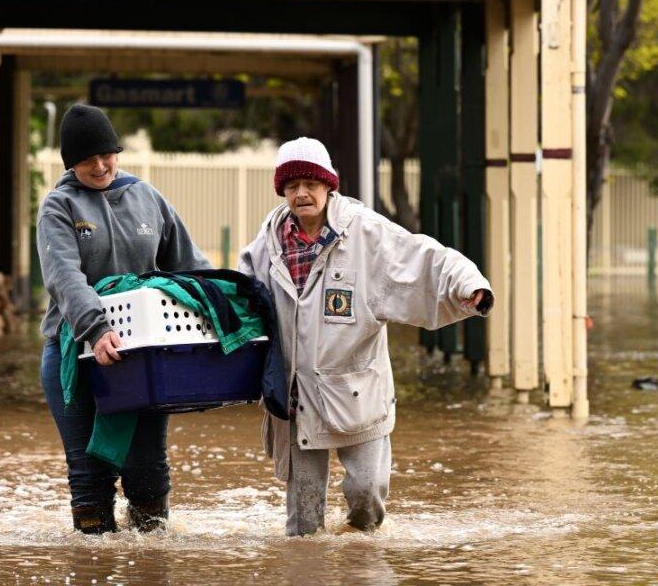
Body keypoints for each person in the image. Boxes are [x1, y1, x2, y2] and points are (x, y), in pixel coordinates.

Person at [238, 137, 493, 536]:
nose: (301, 194)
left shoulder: (366, 233)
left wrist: (467, 284)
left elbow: (424, 258)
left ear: (328, 185)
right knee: (303, 524)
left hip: (357, 391)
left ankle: (360, 558)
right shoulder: (267, 241)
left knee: (367, 496)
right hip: (295, 396)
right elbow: (242, 297)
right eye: (291, 186)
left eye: (310, 183)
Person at [37, 103, 212, 534]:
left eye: (107, 154)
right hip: (75, 353)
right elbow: (65, 277)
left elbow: (190, 268)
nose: (100, 166)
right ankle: (93, 565)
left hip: (144, 357)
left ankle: (150, 563)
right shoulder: (59, 208)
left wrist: (224, 310)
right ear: (70, 162)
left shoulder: (147, 198)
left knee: (148, 471)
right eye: (87, 159)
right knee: (90, 475)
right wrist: (96, 330)